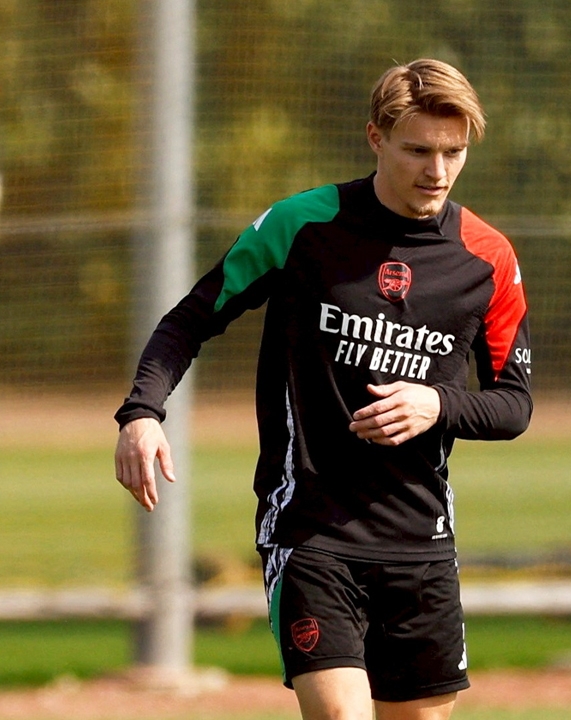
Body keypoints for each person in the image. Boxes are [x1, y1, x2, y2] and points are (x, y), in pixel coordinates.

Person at [113, 59, 533, 720]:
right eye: (417, 151)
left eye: (453, 153)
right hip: (310, 529)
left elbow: (514, 404)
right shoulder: (302, 226)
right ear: (376, 138)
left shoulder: (488, 258)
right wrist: (141, 412)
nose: (437, 171)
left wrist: (437, 403)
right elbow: (190, 318)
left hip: (420, 540)